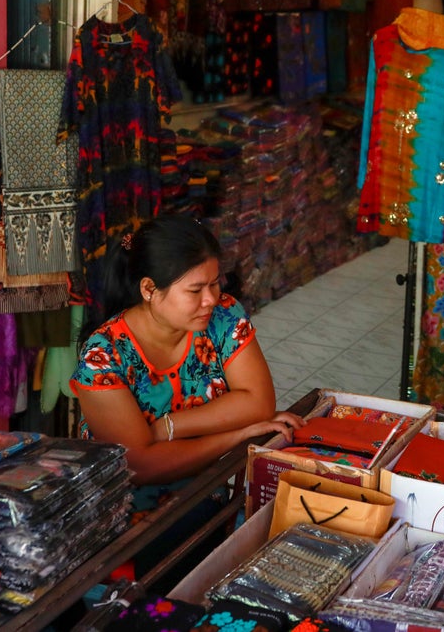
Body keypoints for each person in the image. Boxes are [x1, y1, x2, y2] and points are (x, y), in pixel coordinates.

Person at [70, 214, 304, 512]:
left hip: (206, 488)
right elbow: (138, 466)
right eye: (195, 290)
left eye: (215, 284)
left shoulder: (224, 315)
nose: (210, 299)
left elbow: (258, 403)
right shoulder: (103, 357)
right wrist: (236, 435)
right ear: (149, 290)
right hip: (123, 513)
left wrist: (168, 427)